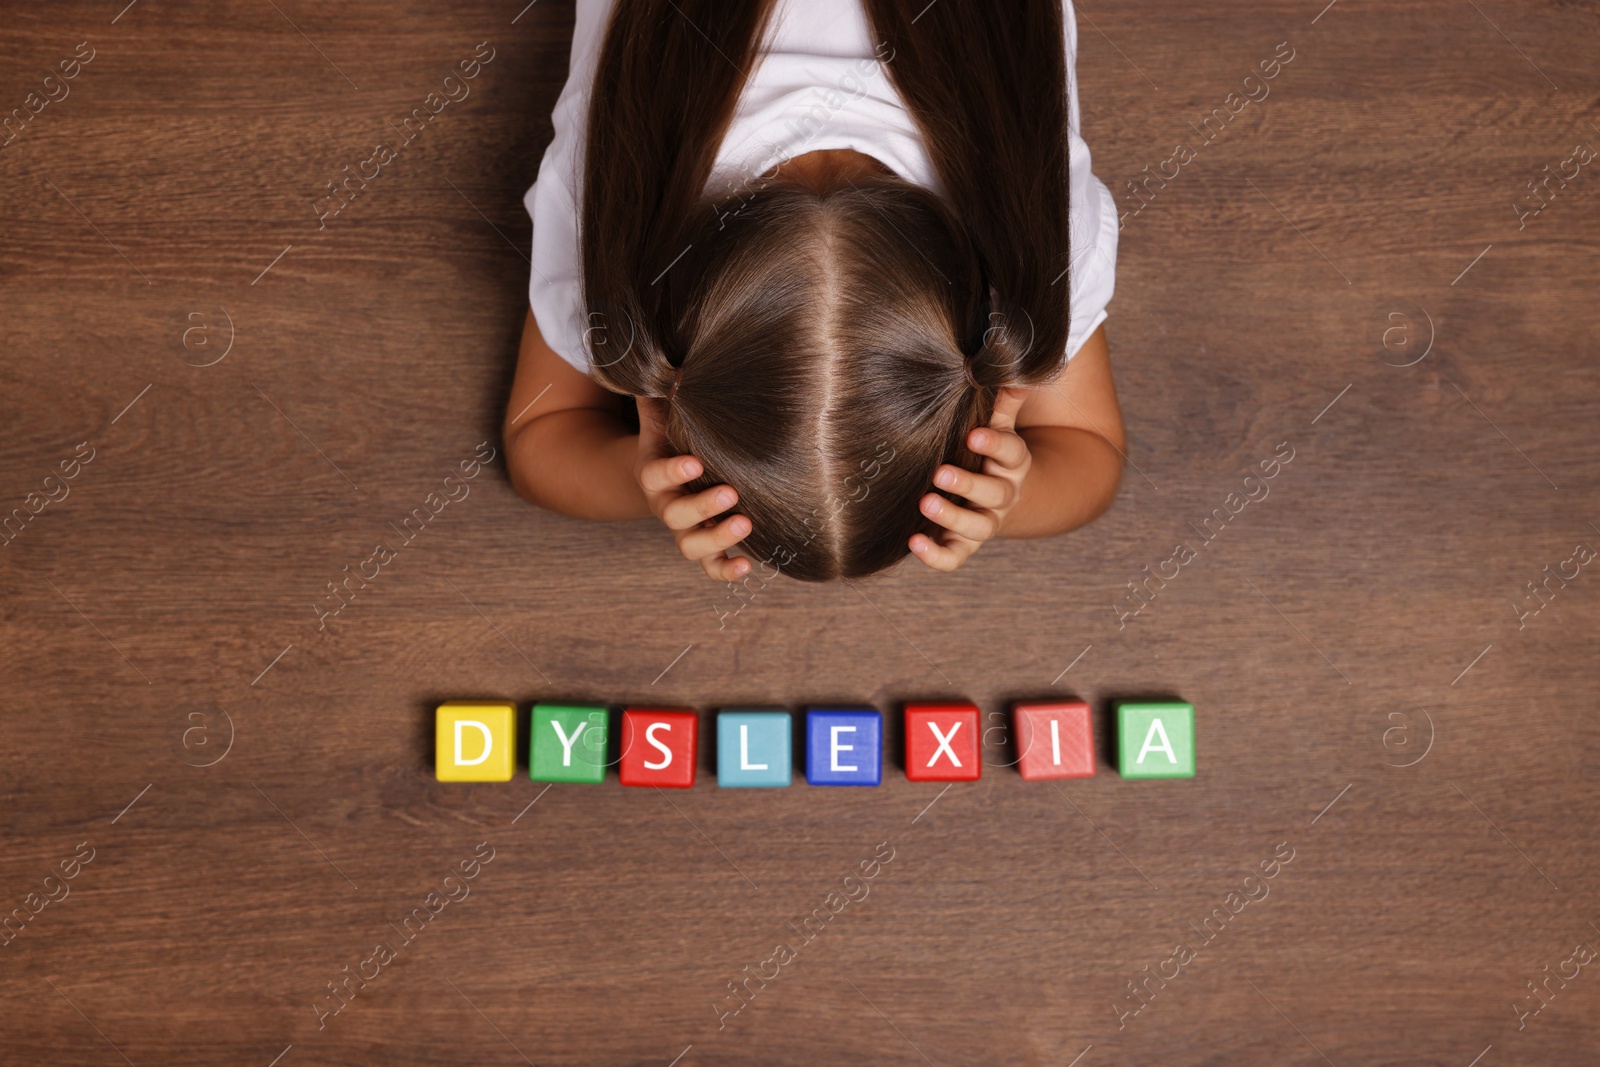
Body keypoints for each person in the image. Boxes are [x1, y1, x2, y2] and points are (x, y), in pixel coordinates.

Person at [503, 0, 1125, 582]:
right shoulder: (605, 227)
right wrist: (646, 476)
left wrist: (1009, 496)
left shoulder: (1040, 246)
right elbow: (538, 442)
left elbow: (1092, 456)